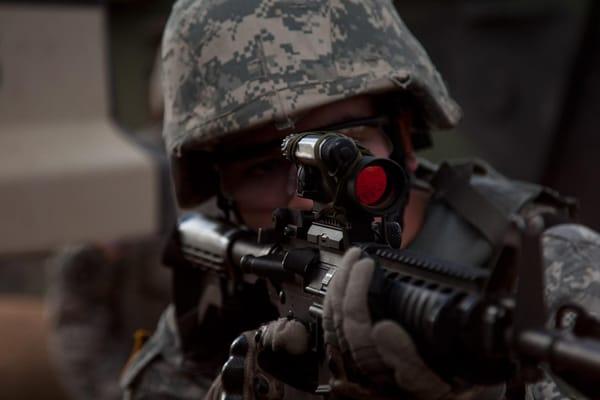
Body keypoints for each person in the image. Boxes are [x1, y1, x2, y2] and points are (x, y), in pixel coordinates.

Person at [121, 1, 600, 399]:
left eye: (343, 150)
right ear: (220, 191)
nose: (306, 196)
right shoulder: (239, 285)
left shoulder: (557, 273)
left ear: (404, 140)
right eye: (263, 167)